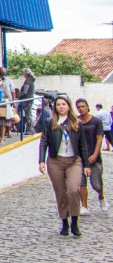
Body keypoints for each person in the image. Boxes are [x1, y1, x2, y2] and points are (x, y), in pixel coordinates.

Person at [38, 96, 90, 237]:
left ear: (68, 106)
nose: (61, 107)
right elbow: (44, 141)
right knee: (60, 192)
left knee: (73, 190)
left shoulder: (76, 123)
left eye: (63, 104)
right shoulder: (50, 122)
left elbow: (82, 145)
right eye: (58, 104)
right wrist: (41, 160)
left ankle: (75, 220)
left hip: (73, 160)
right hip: (56, 161)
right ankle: (64, 221)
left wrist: (86, 165)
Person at [75, 99, 105, 213]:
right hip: (79, 157)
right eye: (79, 107)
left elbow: (99, 139)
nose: (81, 109)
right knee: (81, 183)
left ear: (87, 107)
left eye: (83, 106)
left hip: (93, 156)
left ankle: (101, 196)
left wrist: (95, 154)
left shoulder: (96, 121)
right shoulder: (76, 121)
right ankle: (84, 206)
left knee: (96, 184)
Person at [18, 68, 36, 136]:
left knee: (28, 115)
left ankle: (30, 129)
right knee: (28, 114)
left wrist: (19, 96)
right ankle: (30, 129)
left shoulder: (27, 81)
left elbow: (25, 91)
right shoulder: (31, 80)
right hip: (30, 99)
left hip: (27, 100)